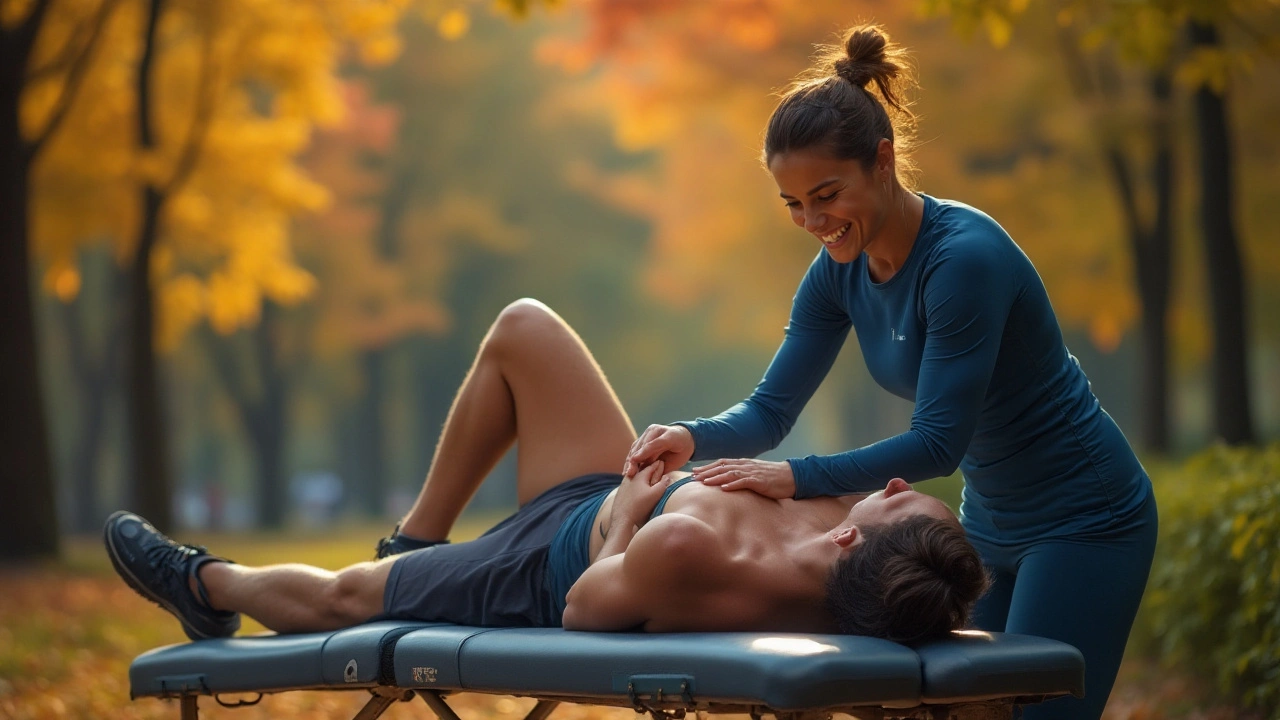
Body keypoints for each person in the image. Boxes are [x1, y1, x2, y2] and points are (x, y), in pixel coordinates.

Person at [621, 25, 1157, 720]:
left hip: (1085, 516)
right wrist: (693, 437)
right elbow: (770, 411)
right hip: (990, 523)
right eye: (793, 204)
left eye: (826, 194)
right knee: (943, 708)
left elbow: (938, 444)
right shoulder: (836, 273)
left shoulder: (962, 260)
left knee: (1030, 714)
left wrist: (794, 476)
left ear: (882, 161)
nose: (813, 220)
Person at [105, 299, 988, 642]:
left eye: (902, 507)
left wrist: (635, 513)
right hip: (604, 490)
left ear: (846, 540)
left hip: (546, 561)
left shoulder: (695, 554)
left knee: (345, 601)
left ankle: (207, 584)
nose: (902, 485)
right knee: (522, 328)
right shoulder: (854, 528)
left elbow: (581, 608)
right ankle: (412, 541)